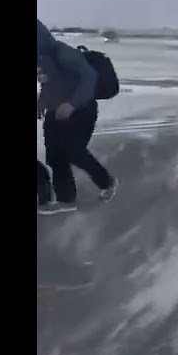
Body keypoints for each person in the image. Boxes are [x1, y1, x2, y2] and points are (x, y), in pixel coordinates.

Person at [37, 19, 119, 214]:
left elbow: (89, 78)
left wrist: (71, 104)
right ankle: (66, 200)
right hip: (56, 110)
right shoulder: (40, 59)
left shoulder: (61, 52)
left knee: (73, 150)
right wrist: (41, 105)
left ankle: (107, 182)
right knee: (54, 154)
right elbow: (48, 84)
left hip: (82, 109)